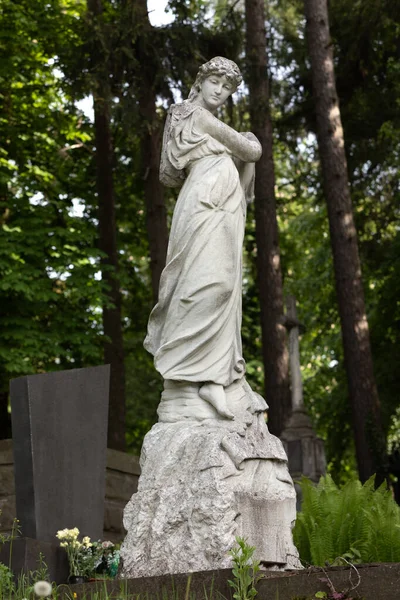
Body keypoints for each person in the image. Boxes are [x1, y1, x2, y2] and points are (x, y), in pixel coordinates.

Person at [144, 57, 262, 420]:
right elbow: (252, 151)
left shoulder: (209, 122)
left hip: (225, 207)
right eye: (215, 82)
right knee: (200, 283)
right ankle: (187, 377)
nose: (220, 92)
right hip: (202, 203)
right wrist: (246, 142)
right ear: (201, 80)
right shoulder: (190, 114)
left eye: (227, 89)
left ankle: (214, 377)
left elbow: (248, 156)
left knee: (225, 285)